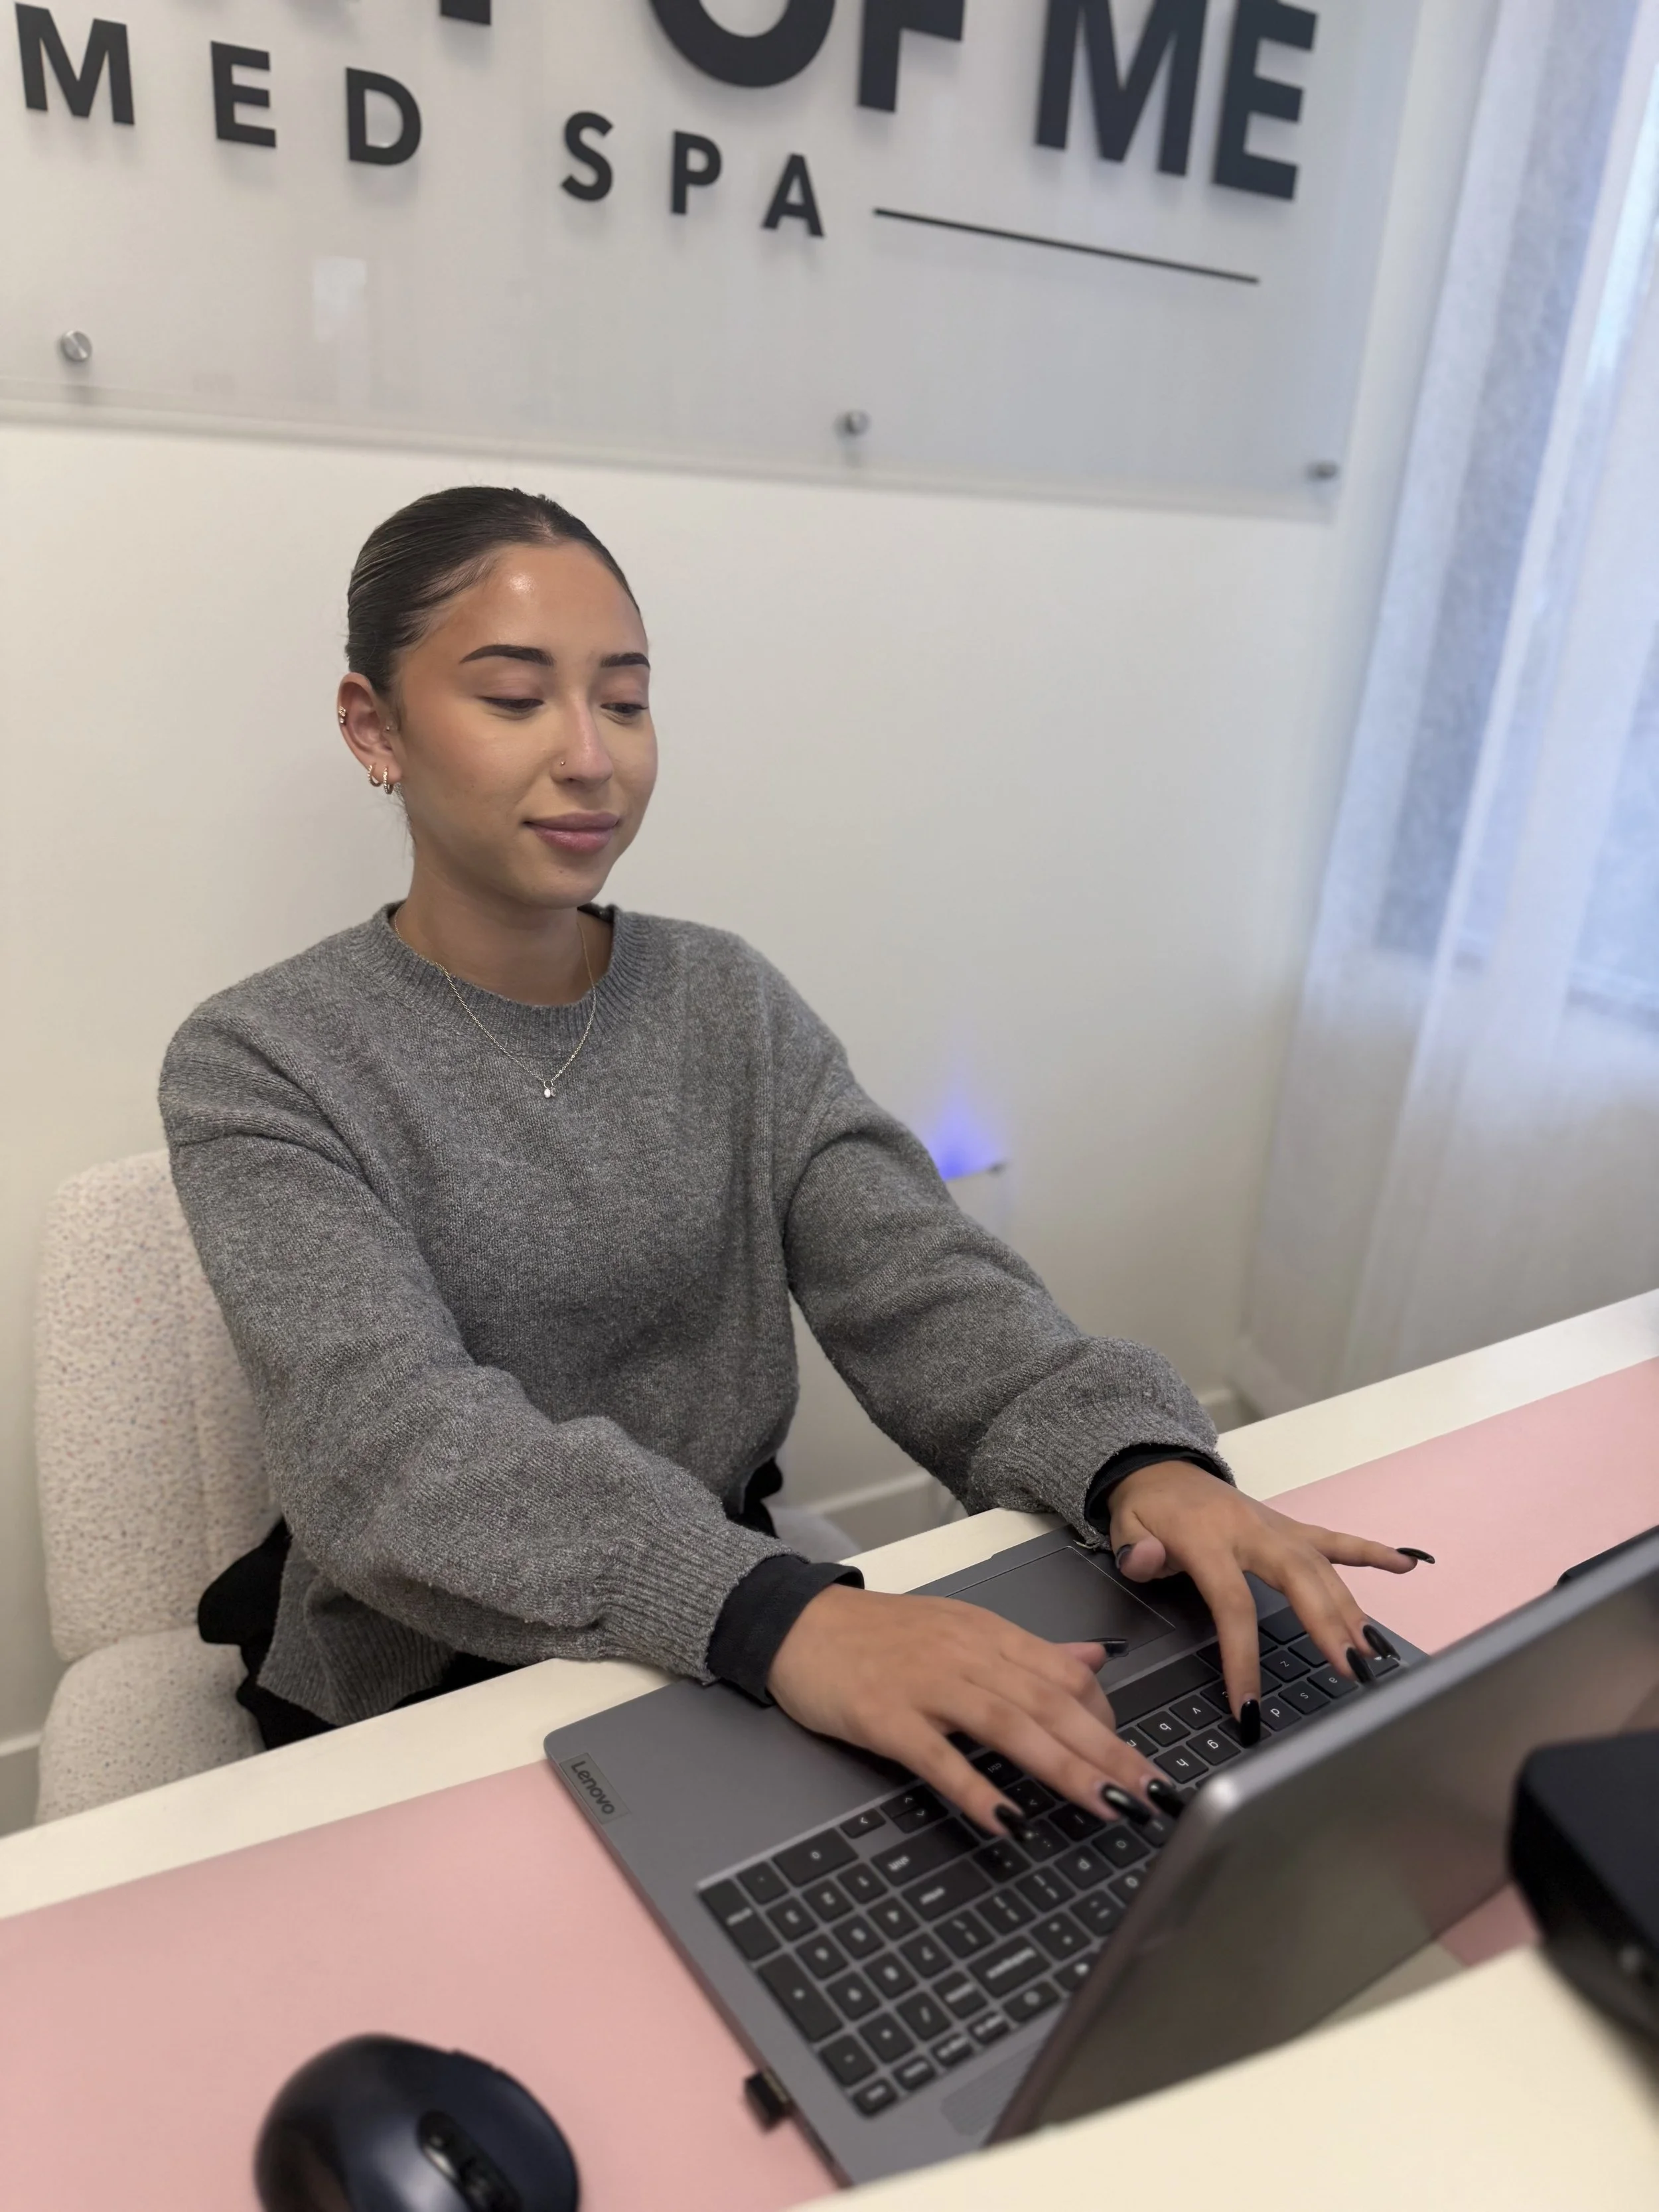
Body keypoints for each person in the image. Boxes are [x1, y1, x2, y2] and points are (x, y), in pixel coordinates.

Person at [162, 486, 1422, 1840]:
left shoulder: (726, 1003)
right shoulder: (261, 1058)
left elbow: (921, 1285)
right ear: (374, 727)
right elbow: (388, 1448)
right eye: (516, 699)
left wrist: (1135, 1460)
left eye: (626, 702)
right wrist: (777, 1615)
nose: (590, 757)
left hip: (719, 1623)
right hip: (437, 1674)